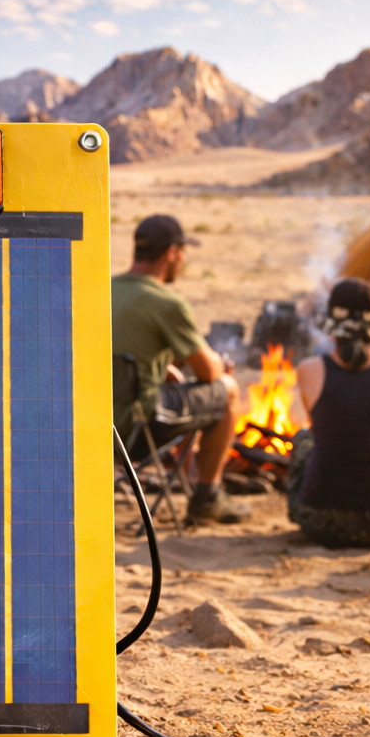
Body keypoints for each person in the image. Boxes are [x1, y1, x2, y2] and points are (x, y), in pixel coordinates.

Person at [112, 215, 250, 524]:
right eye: (183, 253)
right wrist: (219, 363)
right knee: (228, 389)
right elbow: (208, 373)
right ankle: (207, 498)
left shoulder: (103, 289)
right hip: (135, 430)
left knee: (177, 384)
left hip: (93, 428)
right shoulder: (166, 303)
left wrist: (163, 369)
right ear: (172, 253)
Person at [288, 278, 370, 547]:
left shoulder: (308, 370)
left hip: (317, 522)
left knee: (304, 439)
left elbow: (328, 432)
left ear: (331, 324)